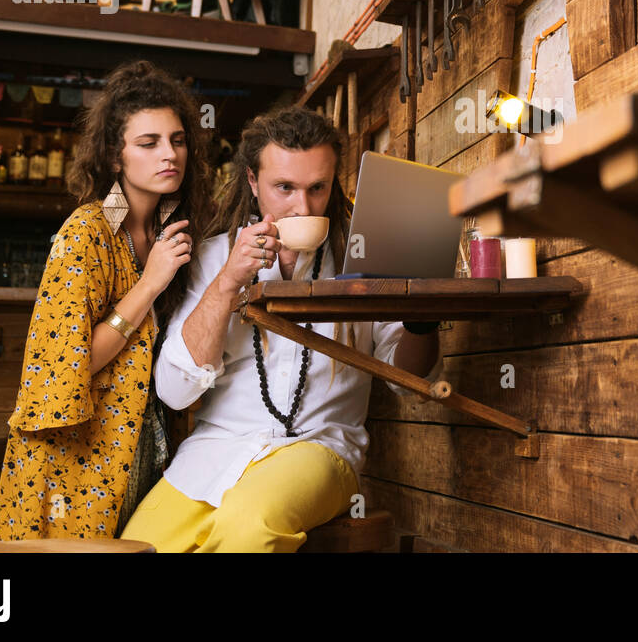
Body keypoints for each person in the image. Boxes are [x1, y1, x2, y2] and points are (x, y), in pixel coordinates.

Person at [121, 105, 442, 552]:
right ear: (253, 182)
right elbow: (176, 392)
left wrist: (422, 323)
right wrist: (228, 282)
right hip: (214, 452)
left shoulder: (366, 263)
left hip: (321, 449)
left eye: (317, 189)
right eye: (284, 188)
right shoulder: (213, 259)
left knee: (248, 527)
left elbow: (411, 382)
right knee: (136, 547)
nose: (302, 206)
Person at [0, 60, 213, 540]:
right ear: (116, 158)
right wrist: (149, 283)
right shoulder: (87, 231)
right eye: (148, 143)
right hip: (73, 451)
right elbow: (67, 364)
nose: (168, 154)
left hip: (139, 438)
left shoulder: (170, 226)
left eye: (177, 140)